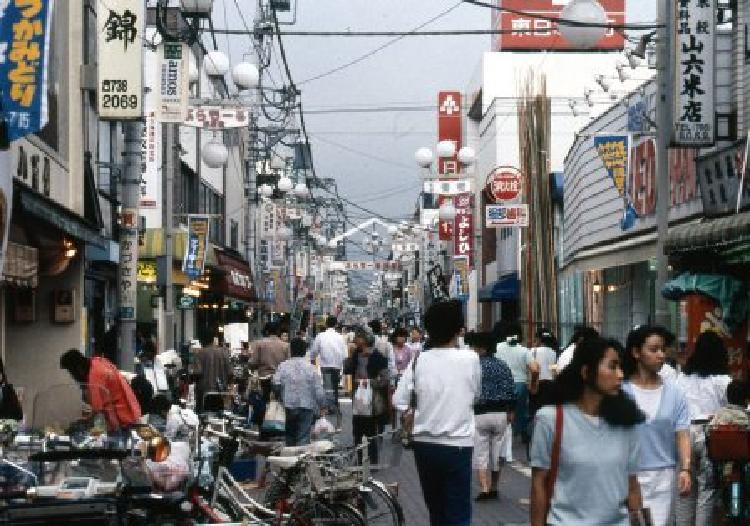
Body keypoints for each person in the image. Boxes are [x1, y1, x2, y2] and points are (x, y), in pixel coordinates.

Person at [529, 336, 646, 526]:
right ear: (586, 371)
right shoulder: (551, 419)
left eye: (621, 367)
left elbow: (632, 486)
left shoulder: (626, 421)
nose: (620, 375)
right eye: (612, 366)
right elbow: (539, 484)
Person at [393, 300, 481, 526]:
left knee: (436, 510)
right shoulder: (470, 359)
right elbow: (476, 395)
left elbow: (399, 399)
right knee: (458, 512)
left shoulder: (420, 360)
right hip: (458, 443)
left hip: (425, 444)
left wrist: (414, 411)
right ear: (458, 329)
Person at [621, 325, 691, 526]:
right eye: (654, 349)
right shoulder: (622, 392)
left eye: (663, 349)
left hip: (663, 477)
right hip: (625, 476)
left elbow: (682, 432)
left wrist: (685, 468)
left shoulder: (674, 393)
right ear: (636, 352)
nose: (661, 355)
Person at [674, 331, 732, 526]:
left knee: (684, 490)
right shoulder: (724, 381)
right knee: (706, 494)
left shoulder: (682, 378)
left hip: (683, 435)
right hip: (709, 436)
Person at [466, 331, 515, 502]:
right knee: (497, 451)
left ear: (480, 348)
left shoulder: (474, 366)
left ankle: (484, 487)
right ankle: (494, 486)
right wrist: (511, 411)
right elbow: (510, 389)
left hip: (480, 413)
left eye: (474, 346)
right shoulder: (502, 365)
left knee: (481, 452)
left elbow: (469, 389)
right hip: (501, 412)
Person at [60, 349, 142, 431]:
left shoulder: (95, 376)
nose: (72, 376)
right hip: (129, 411)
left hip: (123, 419)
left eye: (71, 371)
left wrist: (84, 423)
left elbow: (97, 410)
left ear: (78, 368)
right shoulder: (97, 362)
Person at [344, 327, 389, 464]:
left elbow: (384, 380)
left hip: (372, 400)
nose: (355, 340)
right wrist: (350, 357)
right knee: (357, 430)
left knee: (370, 432)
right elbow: (347, 373)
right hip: (358, 399)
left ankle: (372, 461)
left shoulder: (378, 357)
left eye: (358, 337)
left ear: (365, 339)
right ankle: (359, 459)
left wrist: (367, 382)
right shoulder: (355, 355)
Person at [273, 338, 327, 446]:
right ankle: (301, 460)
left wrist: (279, 397)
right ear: (304, 351)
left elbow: (276, 385)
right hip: (306, 406)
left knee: (289, 436)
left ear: (291, 350)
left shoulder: (283, 366)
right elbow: (318, 390)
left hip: (287, 406)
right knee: (303, 437)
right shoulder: (311, 368)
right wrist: (323, 406)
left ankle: (290, 458)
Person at [495, 322, 534, 443]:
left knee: (503, 409)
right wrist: (533, 383)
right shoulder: (524, 350)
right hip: (520, 384)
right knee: (521, 411)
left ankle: (504, 435)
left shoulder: (497, 347)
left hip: (502, 383)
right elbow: (534, 368)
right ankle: (519, 432)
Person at [250, 321, 291, 423]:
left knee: (263, 403)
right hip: (280, 379)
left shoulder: (259, 344)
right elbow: (289, 363)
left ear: (266, 331)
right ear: (278, 331)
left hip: (264, 378)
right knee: (280, 404)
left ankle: (263, 424)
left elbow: (253, 362)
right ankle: (279, 424)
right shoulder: (285, 345)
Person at [309, 315, 347, 421]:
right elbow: (345, 354)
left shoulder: (321, 336)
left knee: (327, 387)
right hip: (337, 365)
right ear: (336, 325)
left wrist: (312, 360)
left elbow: (314, 350)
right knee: (334, 386)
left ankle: (330, 406)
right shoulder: (340, 337)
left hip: (325, 364)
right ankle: (334, 405)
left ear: (326, 324)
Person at [194, 335, 232, 412]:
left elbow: (197, 373)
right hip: (221, 392)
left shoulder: (200, 353)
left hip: (205, 393)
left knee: (204, 416)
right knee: (221, 415)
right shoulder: (224, 352)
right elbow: (230, 373)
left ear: (202, 341)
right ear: (213, 340)